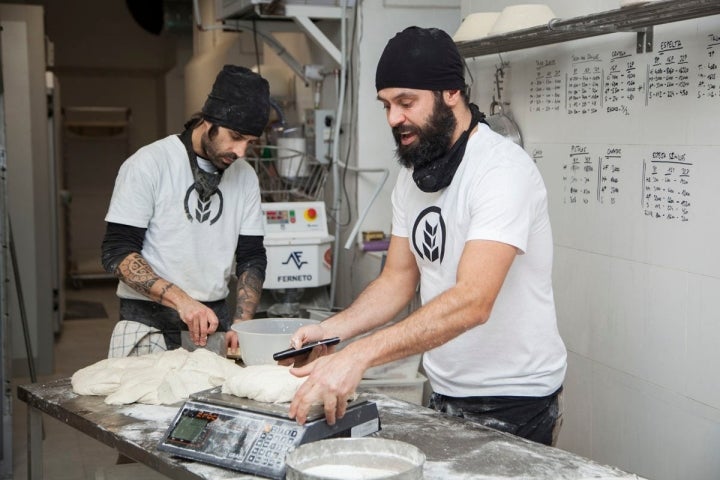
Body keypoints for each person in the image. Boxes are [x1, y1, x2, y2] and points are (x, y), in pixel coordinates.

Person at [283, 27, 567, 446]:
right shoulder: (412, 177)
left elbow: (473, 301)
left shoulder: (500, 171)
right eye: (386, 105)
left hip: (515, 400)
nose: (394, 118)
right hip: (445, 389)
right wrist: (332, 333)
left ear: (451, 91)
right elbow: (398, 280)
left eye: (406, 102)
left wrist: (359, 356)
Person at [101, 65, 270, 358]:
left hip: (213, 320)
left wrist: (242, 322)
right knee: (144, 403)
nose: (241, 151)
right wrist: (182, 301)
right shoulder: (149, 164)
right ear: (209, 120)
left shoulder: (245, 177)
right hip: (146, 321)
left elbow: (251, 256)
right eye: (235, 136)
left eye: (250, 143)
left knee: (208, 401)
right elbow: (117, 252)